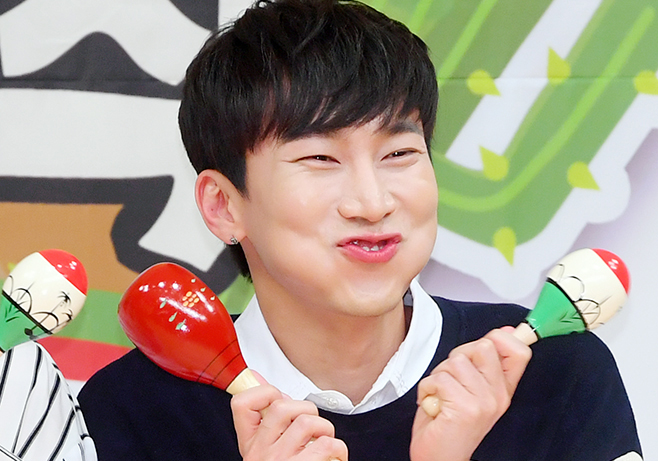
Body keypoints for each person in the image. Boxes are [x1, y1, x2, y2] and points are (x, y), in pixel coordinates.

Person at [78, 0, 642, 459]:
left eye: (399, 153)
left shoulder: (554, 372)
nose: (373, 203)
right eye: (320, 159)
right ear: (224, 205)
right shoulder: (134, 410)